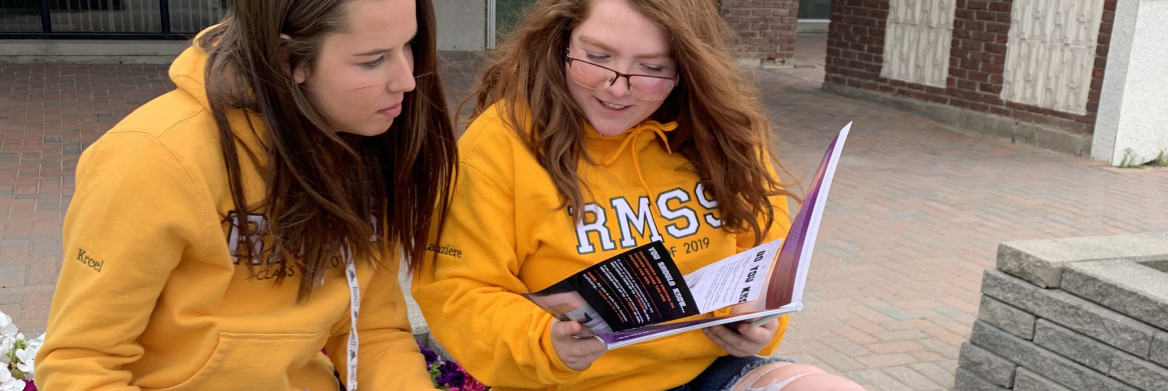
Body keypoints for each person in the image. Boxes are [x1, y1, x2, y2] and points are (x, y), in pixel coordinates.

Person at [412, 0, 866, 390]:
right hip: (561, 380)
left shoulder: (723, 137)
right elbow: (457, 291)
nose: (617, 86)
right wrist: (543, 339)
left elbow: (770, 255)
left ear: (688, 71)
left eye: (651, 69)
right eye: (595, 57)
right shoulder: (498, 145)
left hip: (708, 369)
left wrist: (762, 321)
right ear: (560, 42)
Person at [35, 0, 455, 389]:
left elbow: (374, 332)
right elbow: (80, 362)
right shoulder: (152, 157)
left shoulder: (364, 144)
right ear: (289, 59)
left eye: (409, 45)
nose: (407, 80)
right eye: (373, 61)